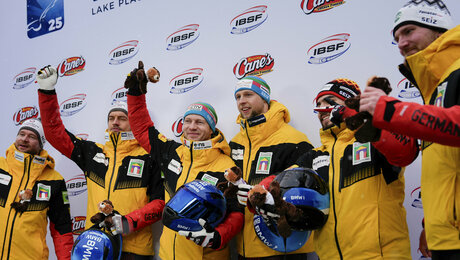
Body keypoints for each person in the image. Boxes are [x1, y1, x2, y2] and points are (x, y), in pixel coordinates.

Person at [359, 1, 460, 258]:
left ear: (439, 30)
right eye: (397, 37)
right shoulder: (436, 87)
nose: (401, 43)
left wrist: (390, 110)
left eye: (409, 31)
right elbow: (447, 167)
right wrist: (433, 222)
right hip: (446, 235)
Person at [36, 66, 165, 260]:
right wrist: (47, 92)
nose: (115, 122)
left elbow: (159, 203)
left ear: (134, 122)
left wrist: (127, 222)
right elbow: (55, 134)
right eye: (111, 118)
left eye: (122, 118)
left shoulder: (149, 156)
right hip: (94, 247)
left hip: (134, 251)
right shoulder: (92, 152)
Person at [283, 78, 418, 259]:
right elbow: (280, 183)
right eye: (318, 104)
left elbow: (405, 151)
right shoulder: (314, 156)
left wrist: (360, 119)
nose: (322, 109)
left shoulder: (375, 139)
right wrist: (259, 196)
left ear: (349, 103)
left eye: (330, 101)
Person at [124, 62, 244, 260]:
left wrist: (216, 237)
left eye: (200, 122)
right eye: (187, 121)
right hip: (167, 255)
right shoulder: (172, 151)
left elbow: (237, 214)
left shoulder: (226, 166)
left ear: (212, 128)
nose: (192, 127)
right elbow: (142, 127)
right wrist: (136, 92)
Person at [230, 75, 315, 259]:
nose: (242, 101)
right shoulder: (236, 143)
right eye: (238, 97)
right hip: (244, 248)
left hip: (283, 246)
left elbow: (304, 197)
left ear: (264, 98)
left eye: (248, 95)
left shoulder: (295, 140)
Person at [0, 118, 73, 260]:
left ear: (41, 144)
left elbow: (61, 228)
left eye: (32, 136)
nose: (24, 139)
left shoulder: (54, 180)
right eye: (21, 134)